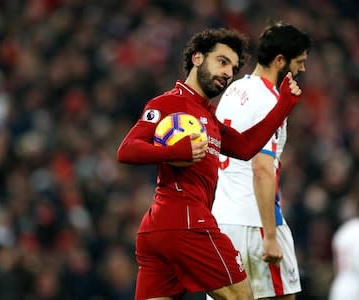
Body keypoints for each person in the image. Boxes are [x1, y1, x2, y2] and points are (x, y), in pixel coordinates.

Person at [116, 28, 303, 300]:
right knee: (240, 297)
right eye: (222, 61)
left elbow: (246, 147)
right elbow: (127, 150)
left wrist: (284, 105)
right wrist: (172, 151)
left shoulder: (208, 116)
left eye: (234, 68)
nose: (228, 73)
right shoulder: (168, 103)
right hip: (188, 221)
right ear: (197, 58)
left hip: (159, 229)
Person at [210, 23, 310, 300]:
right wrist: (269, 236)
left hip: (222, 224)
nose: (302, 70)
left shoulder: (233, 91)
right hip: (256, 225)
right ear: (280, 61)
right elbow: (262, 169)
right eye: (299, 62)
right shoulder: (269, 101)